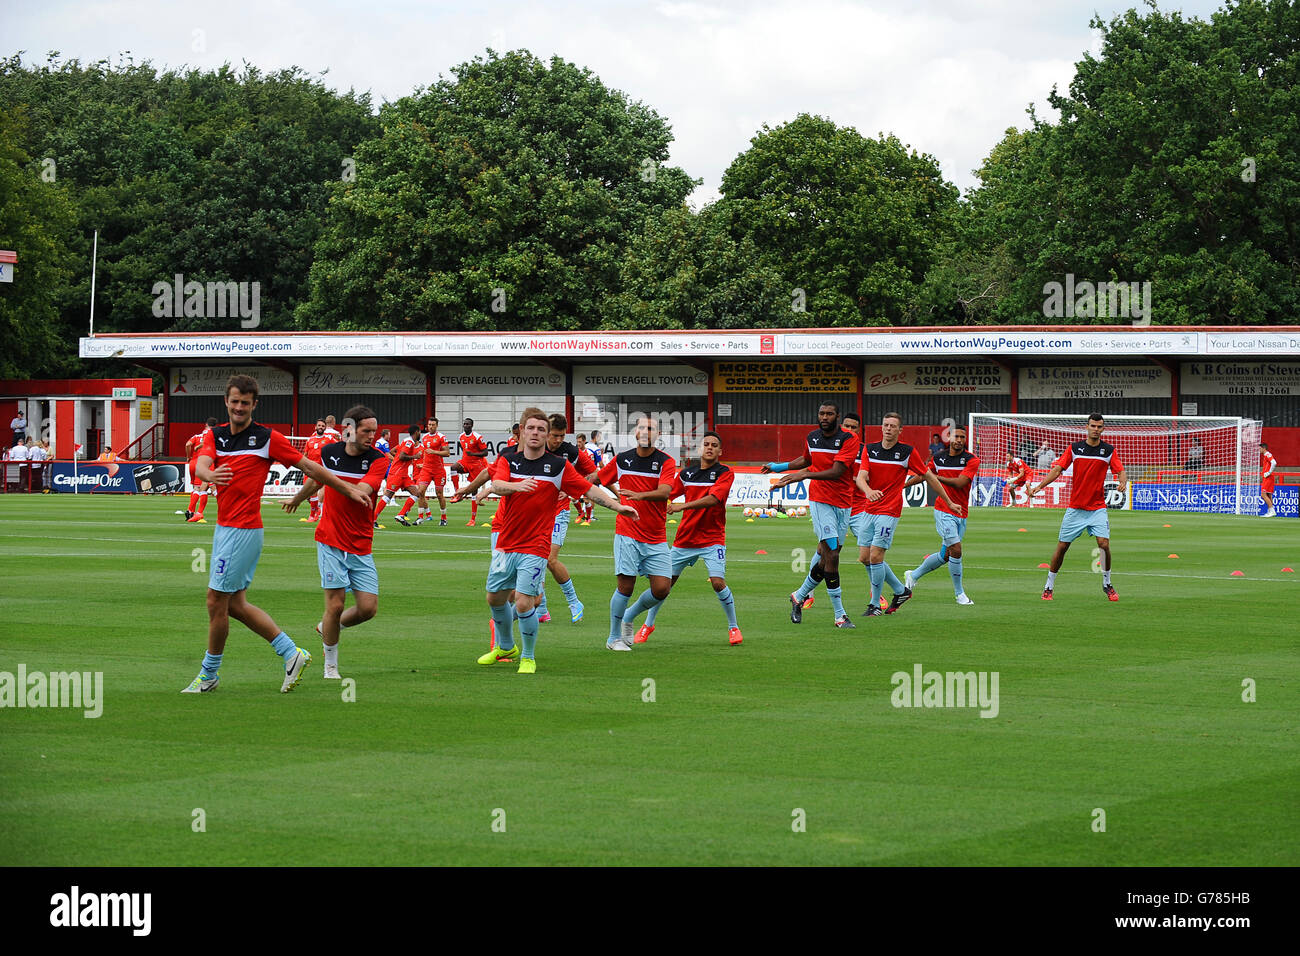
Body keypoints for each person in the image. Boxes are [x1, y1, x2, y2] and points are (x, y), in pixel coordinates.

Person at [182, 374, 372, 694]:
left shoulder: (268, 438)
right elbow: (201, 465)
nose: (239, 407)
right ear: (226, 402)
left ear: (255, 404)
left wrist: (347, 489)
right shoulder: (215, 436)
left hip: (242, 531)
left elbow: (312, 468)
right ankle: (291, 653)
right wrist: (209, 473)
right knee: (234, 605)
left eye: (245, 402)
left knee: (216, 601)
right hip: (224, 529)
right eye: (234, 401)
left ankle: (208, 674)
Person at [477, 410, 634, 672]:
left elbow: (588, 489)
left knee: (525, 601)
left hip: (535, 545)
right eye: (532, 428)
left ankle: (528, 656)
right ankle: (505, 646)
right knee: (494, 598)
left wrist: (617, 506)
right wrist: (516, 486)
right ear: (522, 432)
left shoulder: (559, 467)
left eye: (541, 429)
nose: (536, 433)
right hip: (506, 542)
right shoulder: (509, 460)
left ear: (547, 435)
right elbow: (499, 484)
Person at [282, 405, 389, 679]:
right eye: (367, 431)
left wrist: (352, 490)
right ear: (349, 430)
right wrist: (297, 498)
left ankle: (327, 627)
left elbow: (365, 489)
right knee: (336, 604)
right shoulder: (329, 453)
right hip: (330, 539)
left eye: (375, 431)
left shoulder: (379, 459)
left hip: (361, 542)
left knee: (368, 608)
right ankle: (330, 666)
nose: (372, 436)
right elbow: (317, 479)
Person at [625, 431, 742, 646]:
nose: (709, 447)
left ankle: (733, 627)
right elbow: (665, 494)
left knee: (717, 583)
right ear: (699, 448)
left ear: (720, 451)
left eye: (714, 445)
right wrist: (638, 498)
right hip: (685, 539)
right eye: (705, 444)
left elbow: (714, 499)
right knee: (664, 586)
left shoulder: (725, 473)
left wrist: (682, 506)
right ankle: (648, 625)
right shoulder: (687, 474)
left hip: (713, 538)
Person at [763, 402, 859, 628]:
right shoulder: (812, 437)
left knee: (826, 555)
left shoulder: (849, 439)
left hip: (844, 502)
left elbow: (837, 472)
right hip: (820, 500)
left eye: (829, 414)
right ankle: (840, 615)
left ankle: (799, 595)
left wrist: (802, 476)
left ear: (837, 416)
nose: (824, 417)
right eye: (821, 413)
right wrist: (780, 467)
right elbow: (806, 460)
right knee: (833, 555)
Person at [855, 412, 959, 617]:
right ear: (881, 427)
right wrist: (869, 492)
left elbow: (929, 476)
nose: (888, 428)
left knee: (876, 556)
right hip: (868, 509)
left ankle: (875, 604)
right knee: (864, 558)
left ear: (900, 430)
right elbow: (861, 478)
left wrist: (948, 501)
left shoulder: (906, 452)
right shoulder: (870, 449)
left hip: (889, 511)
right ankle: (901, 591)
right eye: (886, 425)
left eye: (893, 426)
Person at [594, 416, 677, 650]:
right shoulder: (622, 460)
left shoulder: (666, 462)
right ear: (635, 433)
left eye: (650, 428)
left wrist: (641, 496)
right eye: (641, 427)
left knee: (662, 589)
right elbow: (596, 480)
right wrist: (569, 485)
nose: (645, 431)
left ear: (657, 435)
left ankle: (629, 615)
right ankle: (613, 638)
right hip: (627, 531)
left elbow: (664, 492)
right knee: (626, 586)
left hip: (655, 535)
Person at [1028, 413, 1127, 602]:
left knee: (1104, 544)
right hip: (1076, 508)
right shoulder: (1075, 448)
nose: (1096, 429)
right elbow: (1057, 470)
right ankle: (1049, 586)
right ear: (1087, 427)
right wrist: (1039, 486)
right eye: (1093, 426)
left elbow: (1120, 470)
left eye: (1099, 427)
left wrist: (1122, 481)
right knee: (1063, 546)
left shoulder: (1108, 451)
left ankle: (1107, 583)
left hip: (1097, 508)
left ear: (1103, 429)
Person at [904, 423, 980, 606]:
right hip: (943, 510)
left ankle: (913, 575)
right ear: (950, 438)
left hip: (961, 512)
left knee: (946, 555)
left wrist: (934, 477)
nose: (959, 440)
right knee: (956, 549)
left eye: (962, 437)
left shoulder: (971, 460)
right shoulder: (938, 458)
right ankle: (959, 594)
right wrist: (901, 486)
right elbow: (923, 475)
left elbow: (960, 483)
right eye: (956, 437)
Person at [536, 413, 598, 624]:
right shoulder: (534, 448)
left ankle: (574, 602)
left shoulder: (571, 452)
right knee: (536, 559)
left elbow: (593, 474)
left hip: (559, 512)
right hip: (535, 513)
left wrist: (573, 491)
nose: (558, 440)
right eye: (555, 435)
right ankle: (542, 609)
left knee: (550, 560)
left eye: (562, 436)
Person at [409, 416, 451, 526]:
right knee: (420, 492)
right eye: (429, 425)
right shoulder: (425, 437)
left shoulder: (441, 437)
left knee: (439, 494)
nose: (430, 427)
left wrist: (434, 452)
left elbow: (447, 453)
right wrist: (423, 463)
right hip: (426, 469)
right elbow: (425, 452)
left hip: (438, 470)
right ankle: (420, 517)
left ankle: (443, 518)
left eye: (433, 425)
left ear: (437, 426)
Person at [379, 425, 422, 528]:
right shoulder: (409, 442)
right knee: (388, 495)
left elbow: (394, 451)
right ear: (416, 432)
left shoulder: (406, 441)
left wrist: (396, 460)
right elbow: (402, 456)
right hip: (397, 473)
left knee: (416, 493)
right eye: (420, 432)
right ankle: (373, 519)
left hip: (403, 474)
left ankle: (401, 515)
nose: (420, 434)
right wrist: (414, 457)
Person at [451, 418, 491, 525]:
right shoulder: (461, 436)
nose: (465, 426)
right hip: (465, 462)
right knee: (453, 467)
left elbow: (485, 452)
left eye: (468, 424)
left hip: (476, 465)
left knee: (474, 490)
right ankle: (457, 493)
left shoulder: (477, 437)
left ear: (472, 425)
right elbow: (465, 450)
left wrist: (473, 454)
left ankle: (472, 519)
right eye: (464, 424)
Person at [184, 417, 220, 522]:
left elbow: (188, 444)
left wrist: (191, 454)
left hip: (195, 463)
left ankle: (191, 511)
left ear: (206, 425)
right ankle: (199, 513)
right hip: (208, 462)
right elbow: (207, 443)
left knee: (199, 488)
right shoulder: (214, 434)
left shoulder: (197, 435)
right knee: (209, 488)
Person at [301, 420, 331, 523]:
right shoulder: (310, 440)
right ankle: (316, 512)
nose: (321, 427)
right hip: (310, 469)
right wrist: (303, 467)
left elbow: (337, 448)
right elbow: (305, 454)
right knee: (311, 493)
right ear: (315, 427)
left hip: (322, 469)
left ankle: (315, 514)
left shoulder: (328, 439)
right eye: (319, 425)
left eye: (323, 426)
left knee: (319, 490)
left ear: (325, 428)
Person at [1260, 442, 1277, 517]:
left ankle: (1271, 511)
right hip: (1268, 477)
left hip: (1268, 477)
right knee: (1268, 494)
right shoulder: (1265, 455)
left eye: (1260, 448)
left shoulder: (1268, 454)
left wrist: (1269, 472)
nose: (1259, 450)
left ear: (1264, 448)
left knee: (1263, 495)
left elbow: (1274, 462)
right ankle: (1271, 511)